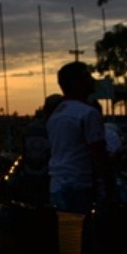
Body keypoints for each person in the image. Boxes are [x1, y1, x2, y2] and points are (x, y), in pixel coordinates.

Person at [46, 62, 114, 215]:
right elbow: (99, 154)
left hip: (57, 185)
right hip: (80, 185)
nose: (91, 80)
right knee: (84, 234)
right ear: (74, 83)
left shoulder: (56, 114)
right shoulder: (88, 113)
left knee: (67, 236)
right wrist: (110, 189)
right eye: (86, 77)